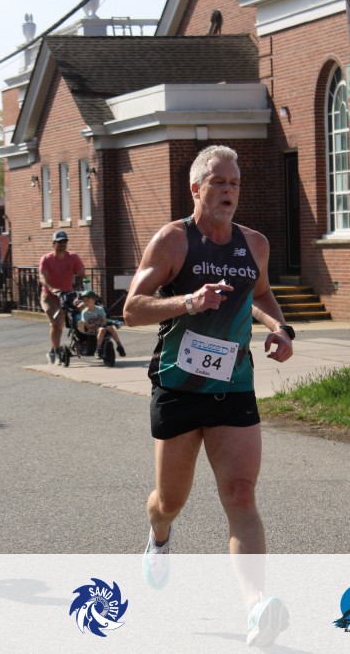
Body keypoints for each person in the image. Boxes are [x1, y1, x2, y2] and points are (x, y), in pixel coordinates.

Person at [122, 145, 296, 647]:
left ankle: (256, 608)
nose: (228, 191)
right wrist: (188, 302)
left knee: (241, 493)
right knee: (169, 501)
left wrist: (281, 329)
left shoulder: (254, 244)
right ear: (196, 188)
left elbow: (260, 294)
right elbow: (132, 310)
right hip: (178, 386)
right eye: (219, 182)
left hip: (233, 386)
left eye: (235, 183)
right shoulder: (173, 241)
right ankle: (159, 537)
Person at [38, 230, 85, 364]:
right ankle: (57, 351)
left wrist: (83, 286)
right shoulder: (46, 259)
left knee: (81, 315)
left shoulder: (73, 257)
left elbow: (82, 274)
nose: (62, 245)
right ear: (53, 244)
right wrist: (52, 289)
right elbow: (42, 277)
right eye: (59, 242)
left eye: (64, 242)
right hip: (49, 296)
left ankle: (60, 348)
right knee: (56, 323)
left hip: (67, 295)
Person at [77, 289, 126, 358]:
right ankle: (98, 349)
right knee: (102, 330)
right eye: (84, 301)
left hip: (101, 326)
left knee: (110, 328)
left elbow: (105, 321)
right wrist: (96, 324)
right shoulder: (84, 312)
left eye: (87, 300)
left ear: (93, 300)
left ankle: (119, 346)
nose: (85, 302)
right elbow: (87, 326)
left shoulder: (100, 309)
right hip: (92, 330)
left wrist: (100, 324)